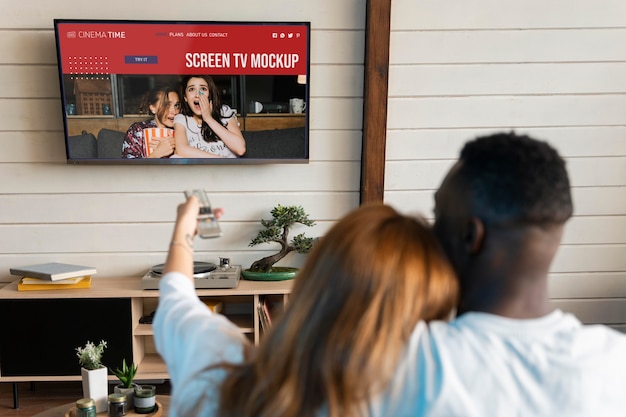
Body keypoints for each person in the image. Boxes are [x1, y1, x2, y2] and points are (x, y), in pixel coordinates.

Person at [153, 201, 458, 417]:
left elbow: (175, 299)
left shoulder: (220, 370)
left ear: (313, 282)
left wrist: (184, 231)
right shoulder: (436, 401)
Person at [409, 132, 626, 416]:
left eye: (438, 216)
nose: (429, 234)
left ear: (470, 236)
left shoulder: (412, 366)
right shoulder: (615, 364)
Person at [173, 75, 246, 158]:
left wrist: (208, 119)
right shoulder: (182, 119)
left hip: (229, 170)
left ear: (210, 95)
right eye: (191, 89)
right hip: (203, 169)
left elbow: (240, 149)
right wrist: (220, 161)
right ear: (185, 97)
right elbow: (182, 150)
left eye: (203, 89)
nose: (197, 95)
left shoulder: (224, 112)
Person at [121, 86, 181, 159]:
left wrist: (176, 151)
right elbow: (129, 169)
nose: (174, 112)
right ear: (153, 108)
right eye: (167, 105)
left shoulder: (181, 131)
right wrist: (157, 154)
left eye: (176, 105)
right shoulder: (138, 130)